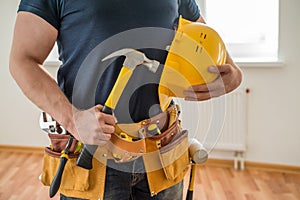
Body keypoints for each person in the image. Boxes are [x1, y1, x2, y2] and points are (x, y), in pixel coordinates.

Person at [9, 0, 242, 199]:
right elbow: (22, 61)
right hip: (93, 158)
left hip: (161, 153)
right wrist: (72, 119)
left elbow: (203, 40)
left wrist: (234, 75)